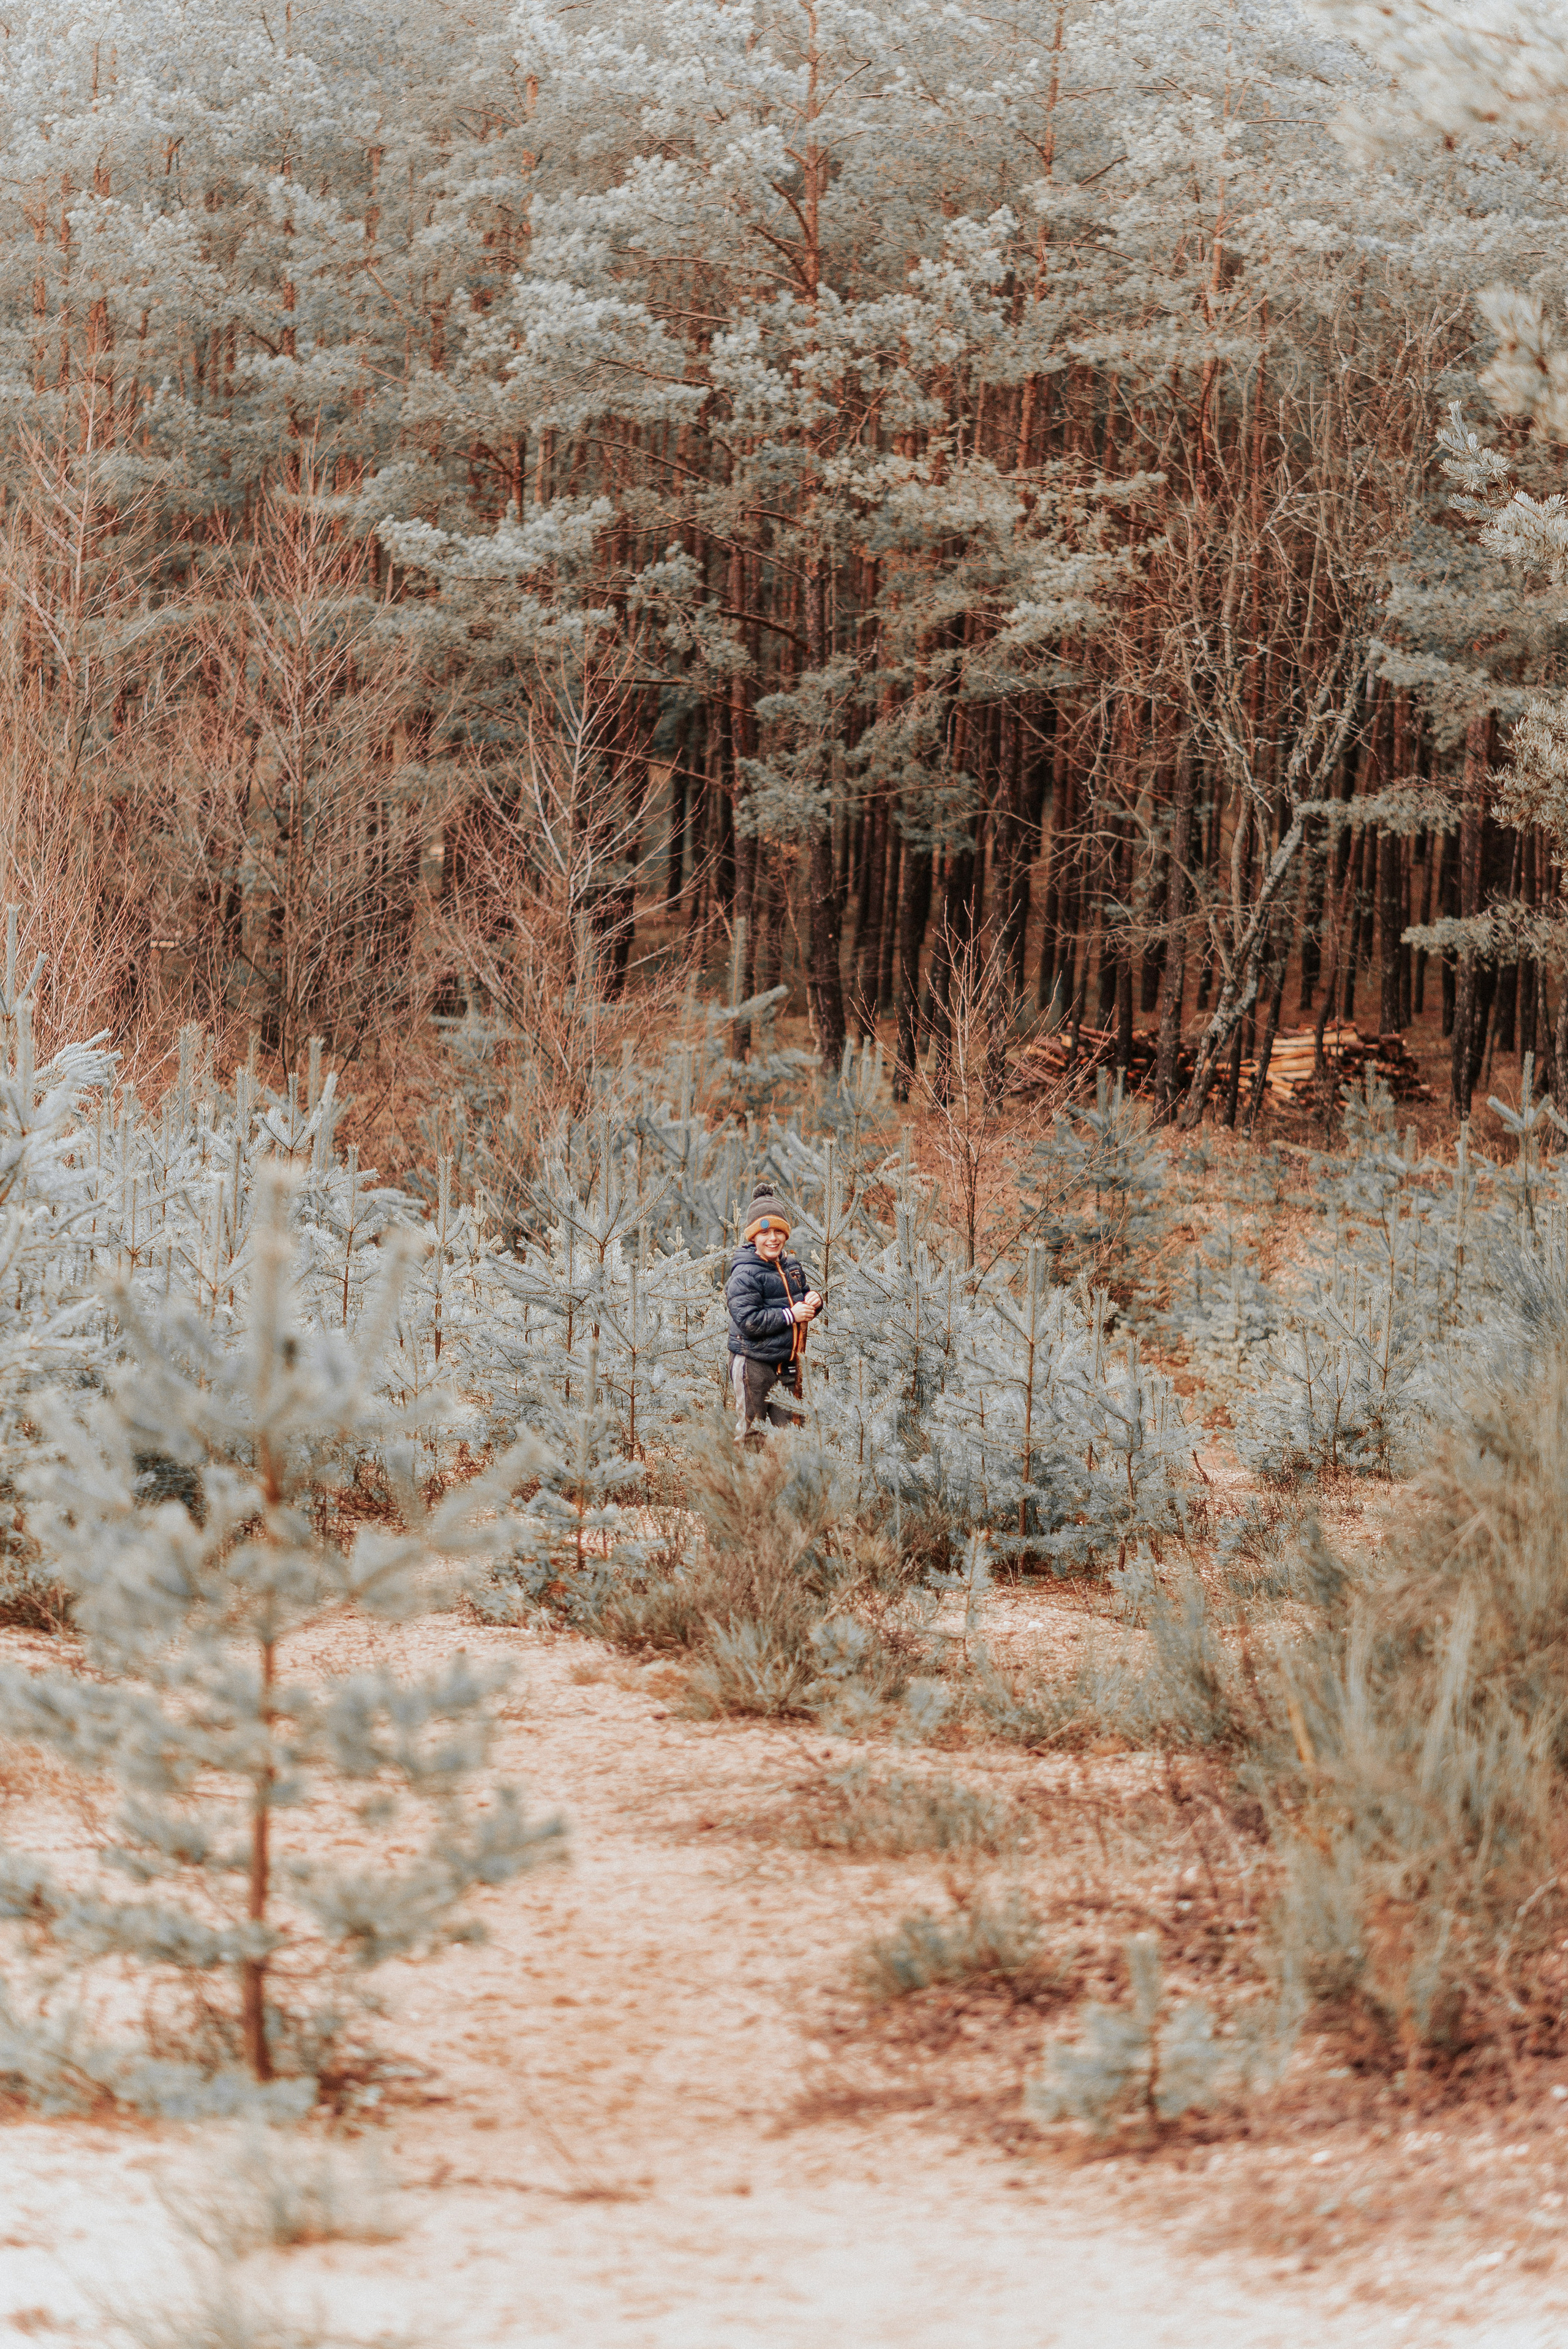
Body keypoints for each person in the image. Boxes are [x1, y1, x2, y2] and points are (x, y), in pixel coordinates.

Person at [725, 1180, 824, 1435]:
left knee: (792, 1436)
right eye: (765, 1233)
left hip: (787, 1367)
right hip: (753, 1365)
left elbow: (802, 1298)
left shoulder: (791, 1266)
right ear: (753, 1236)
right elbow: (749, 1321)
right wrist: (791, 1315)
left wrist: (814, 1300)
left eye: (779, 1232)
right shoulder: (745, 1273)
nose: (773, 1239)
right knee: (751, 1434)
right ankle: (745, 1476)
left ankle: (786, 1476)